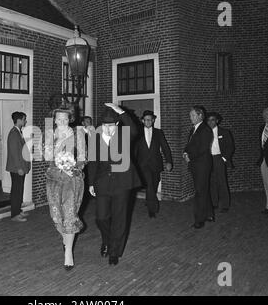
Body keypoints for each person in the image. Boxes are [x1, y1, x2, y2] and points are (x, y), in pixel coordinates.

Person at [87, 103, 141, 266]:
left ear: (117, 124)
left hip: (122, 183)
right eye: (104, 125)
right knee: (101, 217)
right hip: (102, 182)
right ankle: (107, 239)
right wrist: (91, 183)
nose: (107, 128)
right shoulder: (96, 137)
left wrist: (121, 112)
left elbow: (135, 130)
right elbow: (93, 162)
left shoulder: (124, 134)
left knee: (119, 217)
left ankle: (114, 251)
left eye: (110, 125)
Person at [44, 105, 86, 270]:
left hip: (72, 180)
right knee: (56, 216)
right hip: (54, 178)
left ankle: (68, 252)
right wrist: (58, 143)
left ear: (70, 119)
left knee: (69, 215)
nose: (62, 122)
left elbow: (83, 158)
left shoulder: (78, 134)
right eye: (59, 119)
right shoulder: (49, 134)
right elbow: (47, 157)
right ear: (54, 120)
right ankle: (65, 239)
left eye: (65, 119)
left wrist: (74, 168)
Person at [135, 110, 173, 219]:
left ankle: (149, 200)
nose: (148, 121)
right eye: (146, 120)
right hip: (143, 165)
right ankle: (152, 209)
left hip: (156, 164)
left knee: (154, 185)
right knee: (150, 185)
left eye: (150, 120)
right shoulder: (138, 133)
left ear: (153, 120)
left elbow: (165, 148)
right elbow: (135, 150)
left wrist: (169, 161)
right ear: (142, 121)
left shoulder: (158, 132)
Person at [183, 106, 214, 229]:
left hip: (202, 165)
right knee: (203, 190)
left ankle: (199, 220)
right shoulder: (193, 130)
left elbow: (203, 148)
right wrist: (185, 152)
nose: (190, 118)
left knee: (200, 192)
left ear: (200, 115)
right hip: (196, 164)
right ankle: (209, 214)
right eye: (190, 115)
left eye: (193, 115)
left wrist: (190, 156)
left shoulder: (205, 130)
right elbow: (190, 144)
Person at [206, 112, 235, 213]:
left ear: (217, 121)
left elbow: (230, 147)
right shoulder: (204, 132)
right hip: (208, 159)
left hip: (219, 159)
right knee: (211, 182)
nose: (210, 122)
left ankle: (225, 205)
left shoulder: (224, 132)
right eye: (208, 120)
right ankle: (214, 203)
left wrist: (223, 159)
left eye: (213, 120)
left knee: (222, 181)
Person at [6, 112, 31, 223]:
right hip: (17, 168)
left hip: (20, 167)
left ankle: (18, 210)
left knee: (19, 189)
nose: (25, 121)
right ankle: (14, 215)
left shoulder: (18, 132)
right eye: (24, 119)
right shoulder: (13, 133)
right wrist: (19, 168)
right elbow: (14, 153)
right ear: (19, 120)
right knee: (16, 191)